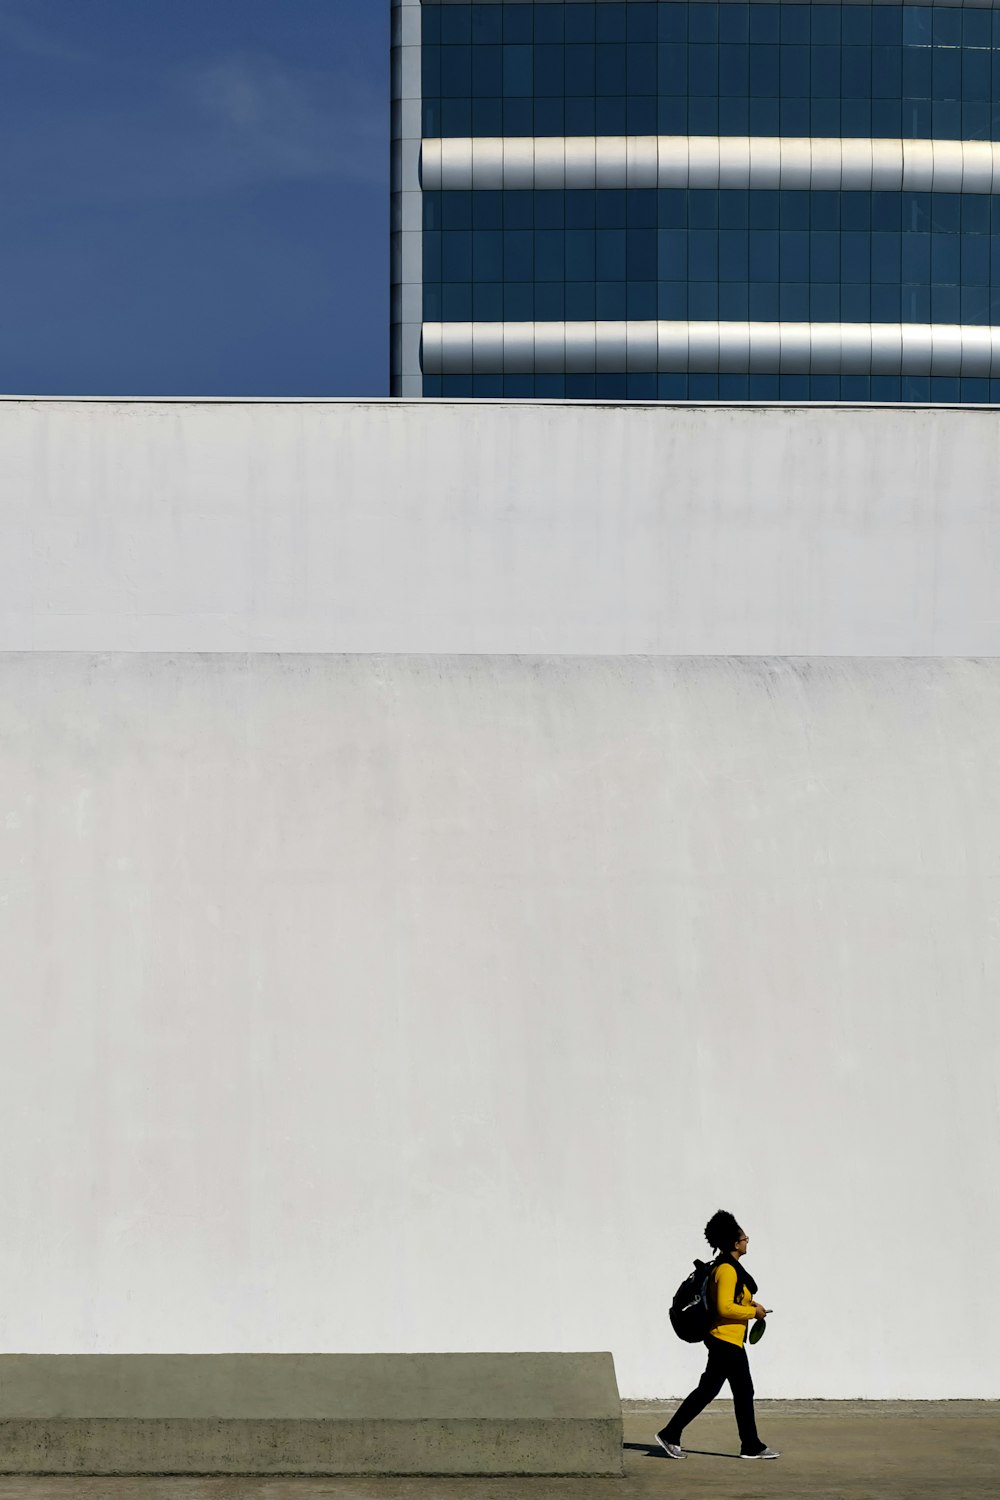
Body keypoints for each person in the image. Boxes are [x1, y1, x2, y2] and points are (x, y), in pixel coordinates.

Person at [655, 1210, 780, 1461]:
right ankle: (672, 1434)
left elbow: (732, 1299)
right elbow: (724, 1307)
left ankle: (749, 1444)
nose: (746, 1241)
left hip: (729, 1340)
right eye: (745, 1238)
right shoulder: (726, 1270)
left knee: (728, 1390)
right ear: (735, 1243)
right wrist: (751, 1314)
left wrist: (753, 1305)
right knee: (724, 1391)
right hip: (724, 1339)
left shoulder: (729, 1268)